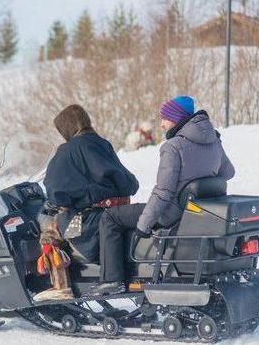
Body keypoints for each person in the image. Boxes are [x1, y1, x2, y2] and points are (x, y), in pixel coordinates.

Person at [90, 95, 235, 296]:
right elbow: (228, 172)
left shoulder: (173, 146)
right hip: (197, 210)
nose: (161, 124)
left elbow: (163, 193)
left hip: (172, 212)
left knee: (111, 217)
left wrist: (143, 224)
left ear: (176, 118)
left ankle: (112, 280)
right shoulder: (213, 140)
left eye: (164, 118)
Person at [33, 104, 139, 301]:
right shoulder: (102, 143)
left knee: (49, 231)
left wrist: (73, 200)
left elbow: (55, 193)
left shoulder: (68, 150)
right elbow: (130, 182)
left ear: (66, 129)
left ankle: (60, 286)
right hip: (120, 212)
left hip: (89, 223)